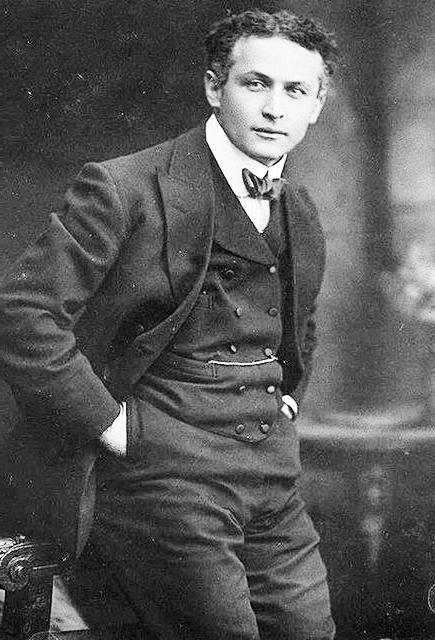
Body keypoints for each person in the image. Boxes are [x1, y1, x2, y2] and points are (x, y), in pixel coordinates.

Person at [0, 8, 338, 640]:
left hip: (272, 479)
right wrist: (112, 426)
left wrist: (288, 397)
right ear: (214, 87)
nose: (274, 108)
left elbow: (301, 320)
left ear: (317, 105)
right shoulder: (124, 187)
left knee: (309, 631)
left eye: (296, 90)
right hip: (164, 481)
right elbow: (24, 313)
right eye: (255, 83)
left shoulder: (299, 206)